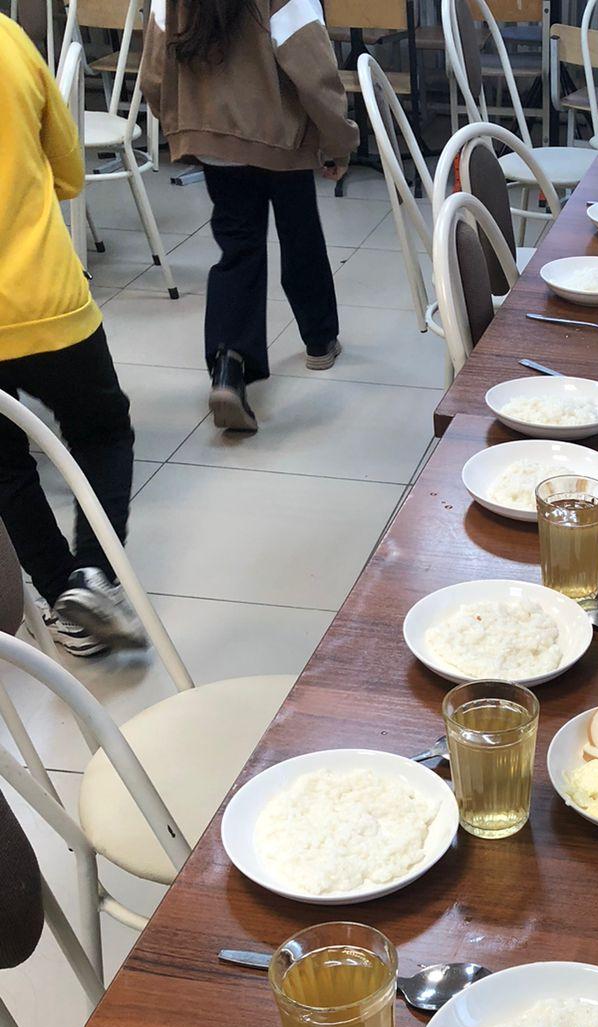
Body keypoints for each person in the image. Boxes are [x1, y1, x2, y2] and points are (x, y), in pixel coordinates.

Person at [0, 14, 146, 656]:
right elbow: (68, 174)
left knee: (5, 466)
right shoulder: (8, 40)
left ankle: (61, 592)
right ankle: (93, 576)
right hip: (46, 298)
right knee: (102, 432)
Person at [143, 0, 358, 434]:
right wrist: (338, 142)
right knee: (301, 234)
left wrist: (186, 125)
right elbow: (313, 71)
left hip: (213, 139)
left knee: (238, 248)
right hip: (282, 138)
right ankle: (320, 341)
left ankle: (229, 368)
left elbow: (153, 75)